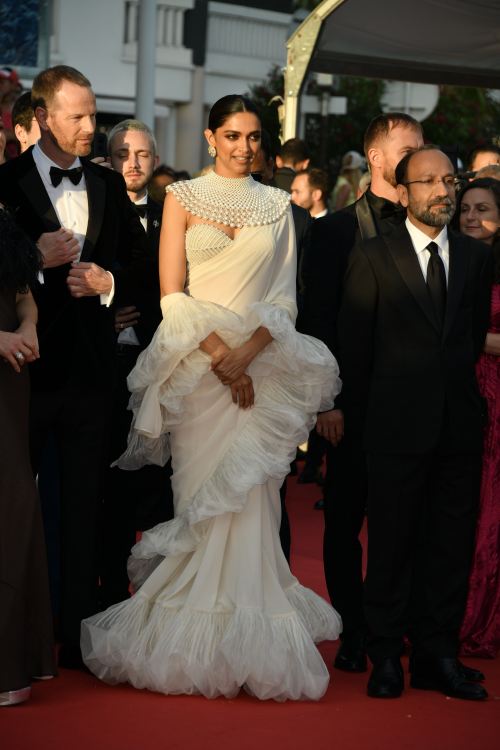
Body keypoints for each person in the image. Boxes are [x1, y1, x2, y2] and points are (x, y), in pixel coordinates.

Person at [81, 94, 342, 701]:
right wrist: (222, 358)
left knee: (252, 503)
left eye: (253, 137)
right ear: (209, 138)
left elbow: (283, 300)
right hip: (198, 372)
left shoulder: (278, 205)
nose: (244, 147)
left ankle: (249, 637)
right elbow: (172, 293)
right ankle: (188, 634)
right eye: (232, 135)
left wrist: (246, 355)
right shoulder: (180, 198)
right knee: (197, 496)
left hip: (259, 373)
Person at [0, 65, 149, 669]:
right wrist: (34, 261)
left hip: (92, 378)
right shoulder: (3, 184)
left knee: (86, 508)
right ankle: (18, 635)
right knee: (15, 512)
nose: (92, 126)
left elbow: (143, 270)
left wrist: (109, 282)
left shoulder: (110, 186)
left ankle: (77, 636)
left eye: (93, 114)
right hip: (21, 378)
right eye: (79, 115)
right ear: (42, 118)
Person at [338, 146, 491, 700]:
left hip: (457, 427)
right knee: (393, 546)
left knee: (448, 546)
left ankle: (437, 656)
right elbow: (355, 351)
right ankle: (385, 656)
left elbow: (469, 341)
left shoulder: (475, 258)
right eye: (428, 182)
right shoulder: (374, 255)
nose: (443, 191)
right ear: (402, 193)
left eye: (449, 180)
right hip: (393, 428)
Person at [298, 112, 424, 671]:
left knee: (403, 524)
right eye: (407, 149)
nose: (418, 159)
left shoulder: (432, 229)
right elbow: (318, 321)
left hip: (412, 406)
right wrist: (327, 401)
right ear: (375, 157)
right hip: (350, 407)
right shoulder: (334, 232)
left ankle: (390, 627)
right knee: (345, 521)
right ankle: (351, 628)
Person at [100, 119, 174, 607]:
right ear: (109, 160)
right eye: (124, 153)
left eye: (143, 154)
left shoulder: (174, 217)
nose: (133, 162)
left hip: (160, 371)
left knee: (159, 491)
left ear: (155, 160)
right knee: (107, 494)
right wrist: (101, 316)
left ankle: (152, 600)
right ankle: (104, 596)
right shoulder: (91, 213)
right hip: (100, 372)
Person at [0, 209, 55, 706]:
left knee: (15, 507)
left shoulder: (3, 219)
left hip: (11, 379)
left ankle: (13, 660)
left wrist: (29, 326)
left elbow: (22, 293)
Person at [455, 178, 500, 658]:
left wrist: (476, 338)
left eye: (484, 208)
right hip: (457, 392)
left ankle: (483, 615)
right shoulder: (449, 260)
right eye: (465, 208)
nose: (471, 217)